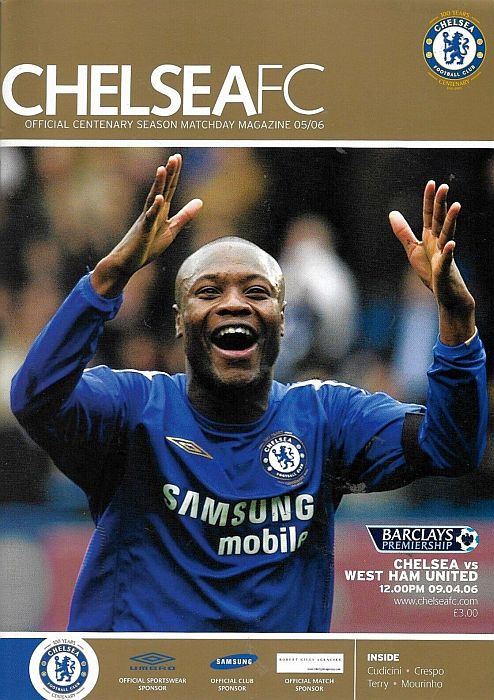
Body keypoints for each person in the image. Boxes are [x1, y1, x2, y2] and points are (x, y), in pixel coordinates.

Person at [11, 154, 487, 632]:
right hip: (139, 670)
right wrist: (106, 281)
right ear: (179, 322)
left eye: (257, 292)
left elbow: (450, 446)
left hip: (277, 673)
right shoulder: (132, 407)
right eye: (208, 292)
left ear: (281, 321)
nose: (234, 303)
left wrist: (456, 321)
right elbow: (33, 398)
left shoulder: (326, 417)